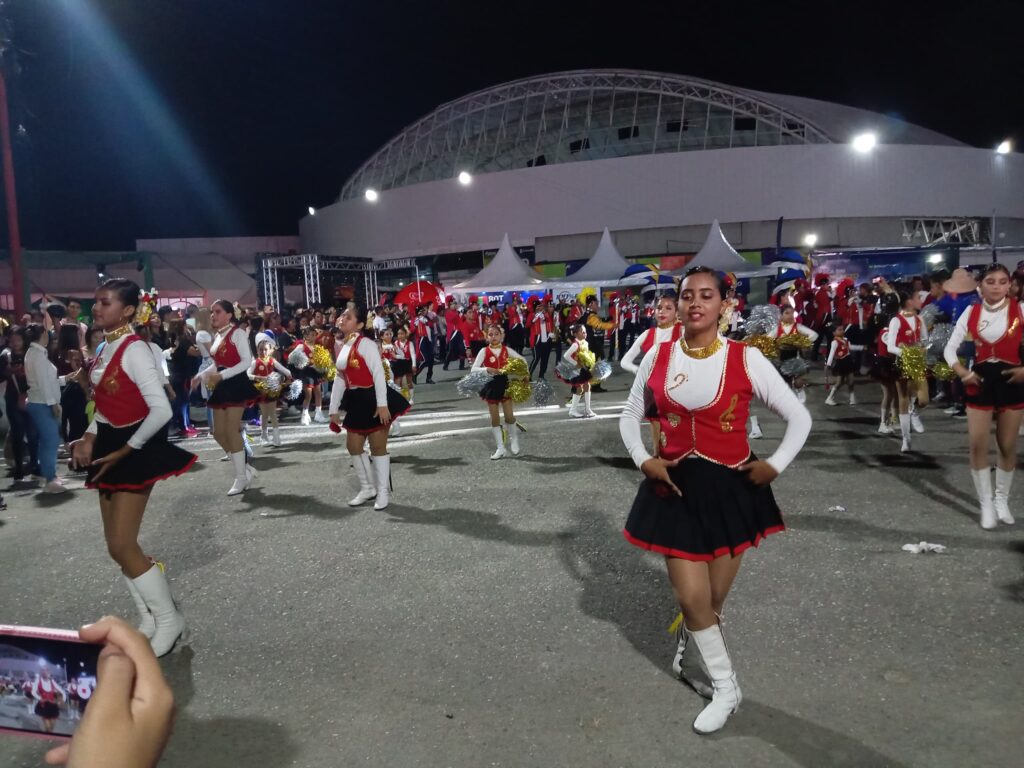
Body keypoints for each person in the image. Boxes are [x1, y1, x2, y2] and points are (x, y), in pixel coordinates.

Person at [619, 266, 811, 735]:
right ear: (678, 303)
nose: (695, 302)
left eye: (707, 295)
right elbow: (628, 413)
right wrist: (645, 459)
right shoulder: (657, 355)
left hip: (731, 492)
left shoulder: (746, 359)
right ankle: (727, 689)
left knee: (712, 602)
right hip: (675, 491)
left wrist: (776, 464)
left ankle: (697, 645)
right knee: (692, 598)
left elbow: (799, 417)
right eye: (687, 295)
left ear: (725, 304)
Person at [69, 281, 194, 658]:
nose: (97, 309)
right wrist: (90, 436)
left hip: (134, 450)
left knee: (123, 543)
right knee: (116, 547)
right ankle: (150, 618)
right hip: (109, 447)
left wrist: (127, 448)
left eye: (105, 303)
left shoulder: (135, 349)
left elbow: (161, 409)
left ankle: (169, 620)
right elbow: (106, 406)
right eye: (96, 303)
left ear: (127, 311)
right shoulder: (105, 347)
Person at [943, 263, 1023, 528]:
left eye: (1002, 281)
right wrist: (962, 373)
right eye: (991, 281)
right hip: (979, 381)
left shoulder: (1021, 310)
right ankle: (986, 504)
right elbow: (950, 350)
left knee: (1007, 445)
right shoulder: (971, 310)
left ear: (1010, 284)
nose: (997, 287)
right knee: (977, 444)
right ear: (981, 285)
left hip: (1012, 381)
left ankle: (1002, 500)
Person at [44, 616, 175, 768]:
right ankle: (48, 729)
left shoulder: (57, 682)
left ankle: (51, 729)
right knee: (48, 721)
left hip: (62, 701)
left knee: (54, 720)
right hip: (45, 702)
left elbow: (61, 689)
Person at [329, 303, 410, 510]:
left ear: (360, 324)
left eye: (348, 317)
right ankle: (367, 488)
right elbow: (340, 378)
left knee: (377, 447)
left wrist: (382, 405)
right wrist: (333, 409)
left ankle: (382, 491)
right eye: (342, 316)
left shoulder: (366, 344)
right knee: (353, 446)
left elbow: (378, 375)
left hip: (374, 397)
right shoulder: (344, 344)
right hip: (355, 399)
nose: (342, 319)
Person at [199, 299, 260, 495]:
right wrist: (201, 375)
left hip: (236, 384)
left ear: (228, 315)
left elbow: (246, 362)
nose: (213, 315)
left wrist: (220, 376)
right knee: (218, 433)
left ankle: (241, 477)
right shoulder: (218, 336)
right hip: (222, 384)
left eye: (217, 312)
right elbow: (218, 363)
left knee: (232, 430)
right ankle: (245, 468)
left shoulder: (238, 333)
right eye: (211, 312)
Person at [25, 323, 74, 493]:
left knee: (48, 440)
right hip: (42, 403)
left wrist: (65, 379)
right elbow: (44, 384)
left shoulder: (36, 353)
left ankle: (49, 474)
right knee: (50, 440)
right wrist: (53, 404)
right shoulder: (37, 355)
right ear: (43, 334)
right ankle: (49, 478)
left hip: (40, 401)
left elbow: (47, 380)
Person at [472, 324, 527, 460]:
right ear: (487, 336)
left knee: (509, 417)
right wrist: (487, 369)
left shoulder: (506, 350)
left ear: (501, 336)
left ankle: (514, 440)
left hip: (505, 384)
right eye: (490, 334)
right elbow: (473, 369)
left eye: (496, 334)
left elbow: (523, 360)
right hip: (490, 386)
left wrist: (525, 374)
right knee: (494, 418)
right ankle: (500, 448)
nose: (494, 337)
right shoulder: (484, 351)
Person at [886, 291, 930, 453]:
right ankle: (906, 438)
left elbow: (925, 340)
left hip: (917, 364)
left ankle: (914, 411)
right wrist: (907, 353)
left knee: (924, 400)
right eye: (918, 298)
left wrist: (924, 349)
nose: (921, 300)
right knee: (903, 399)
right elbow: (890, 346)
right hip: (903, 364)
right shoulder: (896, 321)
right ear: (909, 301)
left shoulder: (920, 319)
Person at [619, 292, 681, 374]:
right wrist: (638, 371)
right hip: (652, 383)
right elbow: (625, 362)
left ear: (676, 312)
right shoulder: (648, 334)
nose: (662, 311)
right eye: (659, 308)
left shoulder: (683, 332)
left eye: (668, 308)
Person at [248, 338, 292, 447]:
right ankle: (264, 434)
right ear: (257, 351)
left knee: (271, 413)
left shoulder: (273, 361)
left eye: (265, 350)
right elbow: (247, 374)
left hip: (272, 390)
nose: (263, 352)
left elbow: (284, 370)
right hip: (261, 391)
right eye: (261, 350)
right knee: (265, 413)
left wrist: (289, 375)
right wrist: (258, 377)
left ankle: (276, 437)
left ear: (270, 350)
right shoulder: (255, 362)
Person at [560, 325, 597, 418]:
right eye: (582, 331)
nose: (584, 333)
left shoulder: (586, 343)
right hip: (576, 370)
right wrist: (575, 363)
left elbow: (587, 355)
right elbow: (566, 355)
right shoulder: (575, 344)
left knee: (587, 386)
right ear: (576, 334)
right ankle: (572, 411)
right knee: (579, 389)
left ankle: (588, 409)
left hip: (584, 369)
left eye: (585, 331)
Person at [824, 324, 862, 406]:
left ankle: (852, 399)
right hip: (841, 363)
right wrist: (828, 364)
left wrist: (862, 347)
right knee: (839, 382)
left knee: (851, 381)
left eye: (842, 329)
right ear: (834, 333)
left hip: (848, 362)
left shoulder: (846, 340)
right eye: (839, 330)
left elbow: (851, 348)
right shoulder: (834, 342)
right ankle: (829, 398)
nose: (842, 331)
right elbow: (831, 353)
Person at [30, 668, 65, 734]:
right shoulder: (38, 681)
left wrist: (62, 700)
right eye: (44, 672)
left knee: (52, 725)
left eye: (47, 671)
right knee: (47, 725)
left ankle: (48, 733)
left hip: (52, 705)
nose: (46, 673)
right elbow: (33, 692)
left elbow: (61, 691)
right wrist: (40, 698)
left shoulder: (52, 681)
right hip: (44, 705)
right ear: (42, 673)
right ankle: (49, 735)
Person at [528, 297, 556, 380]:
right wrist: (534, 319)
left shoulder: (545, 314)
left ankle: (541, 375)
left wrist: (544, 316)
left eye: (540, 306)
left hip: (546, 340)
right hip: (537, 340)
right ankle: (528, 375)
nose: (539, 308)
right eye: (537, 307)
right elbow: (528, 325)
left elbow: (550, 322)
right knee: (536, 358)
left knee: (545, 359)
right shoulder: (532, 315)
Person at [413, 304, 436, 384]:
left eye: (424, 310)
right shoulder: (415, 319)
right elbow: (412, 330)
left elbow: (431, 324)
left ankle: (429, 378)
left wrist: (426, 320)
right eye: (423, 310)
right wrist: (417, 321)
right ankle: (415, 375)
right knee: (426, 359)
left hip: (428, 339)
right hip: (421, 340)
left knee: (431, 360)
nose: (425, 311)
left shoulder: (426, 318)